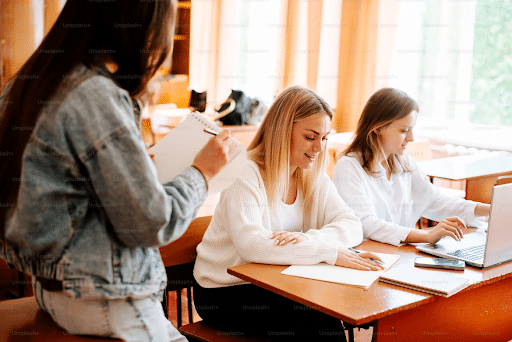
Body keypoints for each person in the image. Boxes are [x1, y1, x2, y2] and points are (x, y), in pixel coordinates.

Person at [0, 1, 233, 341]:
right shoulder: (95, 94)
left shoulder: (23, 87)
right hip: (106, 298)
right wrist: (202, 171)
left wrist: (134, 164)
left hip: (52, 290)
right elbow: (152, 222)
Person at [193, 85, 383, 341]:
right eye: (310, 136)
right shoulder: (246, 171)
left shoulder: (311, 173)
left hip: (278, 279)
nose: (318, 148)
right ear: (282, 132)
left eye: (324, 138)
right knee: (314, 318)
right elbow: (252, 246)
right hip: (224, 289)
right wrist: (329, 252)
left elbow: (351, 225)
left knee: (323, 313)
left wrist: (309, 240)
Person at [332, 88, 490, 246]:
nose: (411, 138)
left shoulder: (403, 161)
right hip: (372, 255)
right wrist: (426, 236)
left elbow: (435, 201)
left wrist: (489, 209)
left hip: (402, 254)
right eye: (404, 130)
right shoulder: (348, 167)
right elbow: (366, 224)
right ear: (378, 128)